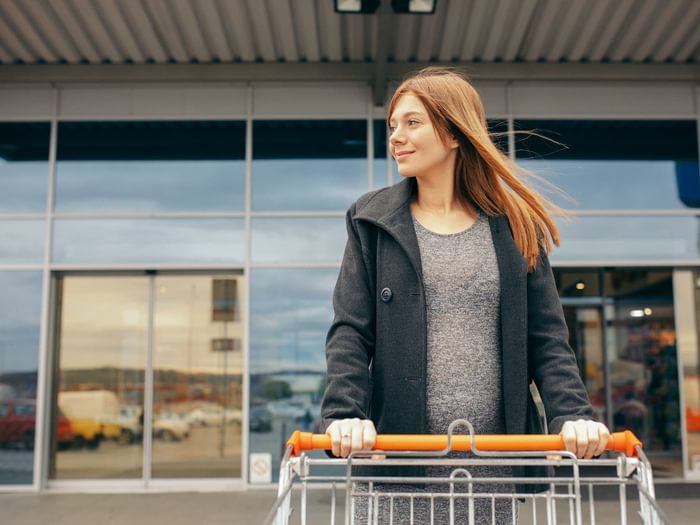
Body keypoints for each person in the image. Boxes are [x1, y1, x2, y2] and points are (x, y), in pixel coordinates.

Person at [319, 66, 610, 522]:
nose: (396, 136)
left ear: (455, 133)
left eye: (412, 122)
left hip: (490, 465)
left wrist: (572, 415)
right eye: (392, 125)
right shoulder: (370, 222)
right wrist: (344, 416)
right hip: (397, 463)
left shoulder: (515, 227)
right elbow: (350, 333)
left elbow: (547, 340)